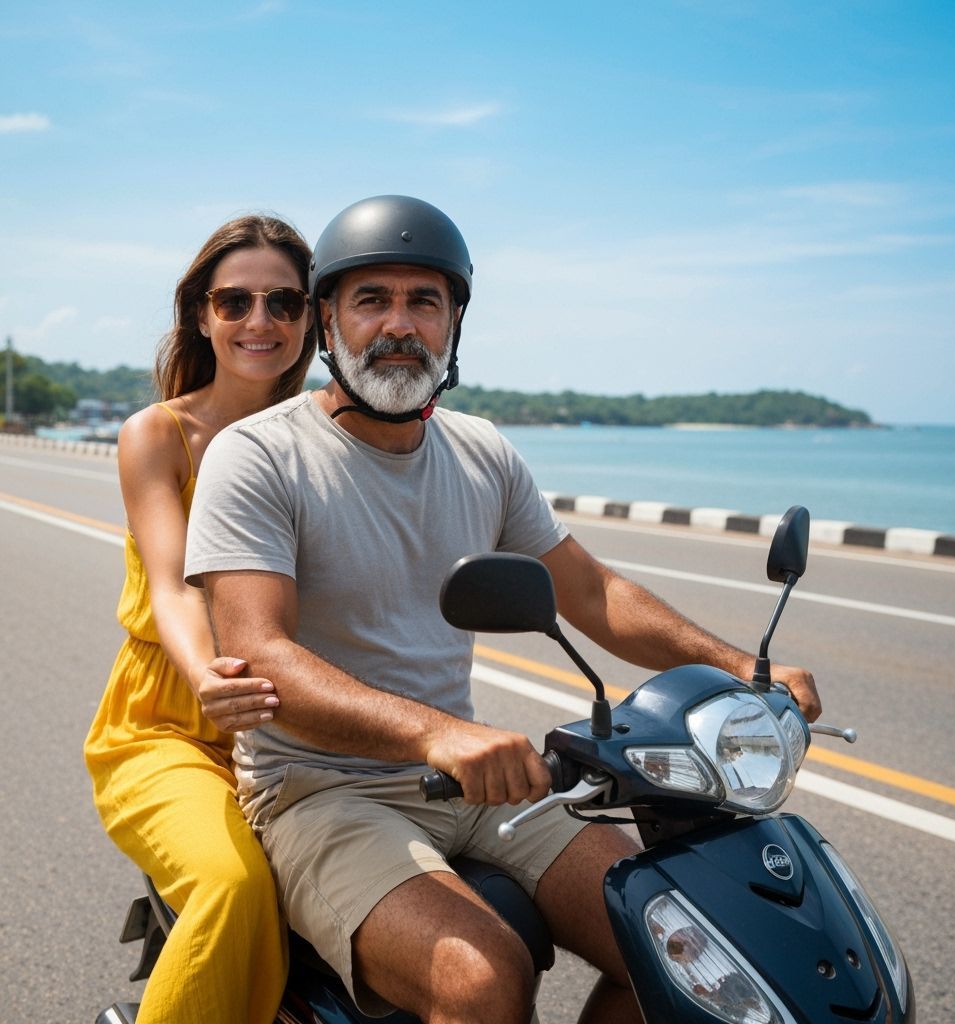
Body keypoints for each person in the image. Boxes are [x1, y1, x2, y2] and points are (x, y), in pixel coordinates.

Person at [184, 195, 821, 1024]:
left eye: (426, 301)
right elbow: (263, 654)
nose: (399, 324)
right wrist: (437, 732)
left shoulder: (482, 450)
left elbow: (590, 593)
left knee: (692, 947)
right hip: (320, 792)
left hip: (475, 788)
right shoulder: (259, 455)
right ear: (328, 319)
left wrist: (742, 668)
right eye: (372, 299)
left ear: (454, 321)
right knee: (482, 982)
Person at [83, 214, 316, 1024]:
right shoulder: (160, 434)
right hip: (170, 728)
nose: (261, 322)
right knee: (232, 885)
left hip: (300, 733)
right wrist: (207, 675)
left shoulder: (327, 437)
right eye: (236, 300)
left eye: (285, 302)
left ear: (312, 317)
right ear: (201, 314)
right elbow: (173, 585)